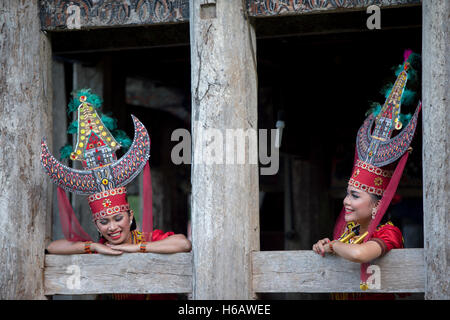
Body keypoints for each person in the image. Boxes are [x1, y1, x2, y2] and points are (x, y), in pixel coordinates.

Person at [312, 50, 421, 297]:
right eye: (347, 195)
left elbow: (361, 254)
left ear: (376, 205)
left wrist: (333, 245)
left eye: (354, 196)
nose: (346, 201)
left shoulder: (388, 232)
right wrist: (325, 246)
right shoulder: (348, 235)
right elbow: (346, 249)